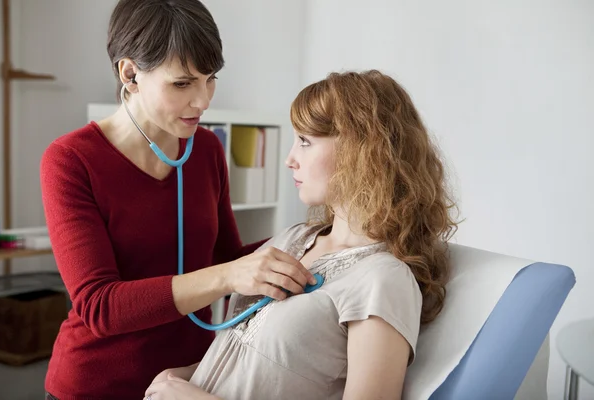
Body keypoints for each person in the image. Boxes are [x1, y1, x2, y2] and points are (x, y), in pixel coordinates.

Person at [39, 1, 315, 399]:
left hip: (186, 382)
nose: (203, 101)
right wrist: (230, 274)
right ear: (131, 74)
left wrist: (312, 236)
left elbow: (224, 257)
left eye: (210, 79)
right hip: (96, 385)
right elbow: (99, 307)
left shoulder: (204, 148)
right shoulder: (70, 160)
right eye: (183, 83)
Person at [144, 70, 459, 400]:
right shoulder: (293, 239)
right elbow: (252, 358)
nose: (289, 159)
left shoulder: (384, 280)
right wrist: (181, 377)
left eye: (306, 142)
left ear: (364, 152)